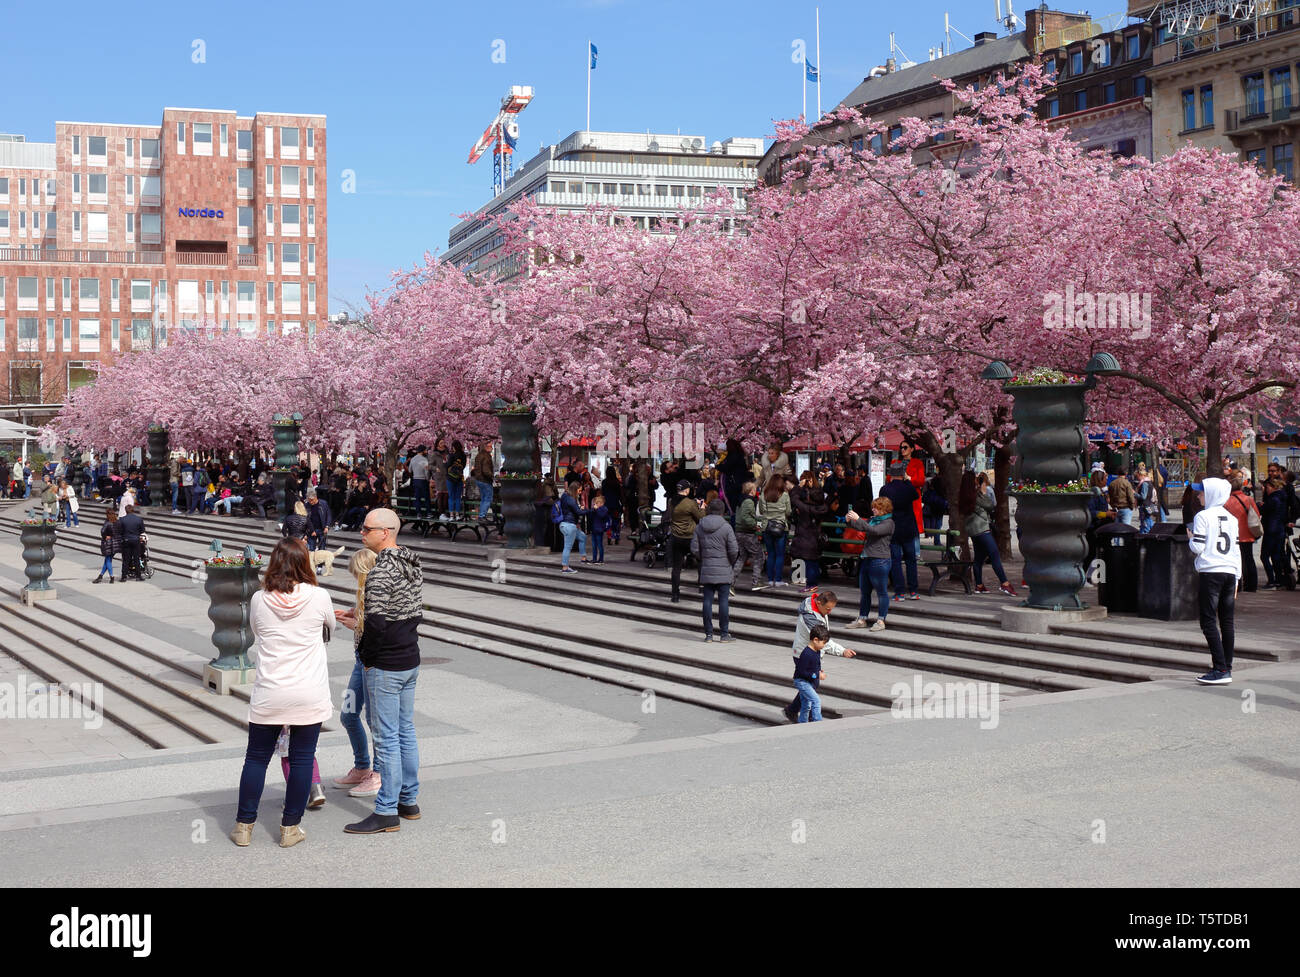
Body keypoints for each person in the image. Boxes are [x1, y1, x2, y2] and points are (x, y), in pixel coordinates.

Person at [228, 540, 334, 848]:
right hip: (308, 692)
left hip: (271, 692)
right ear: (306, 563)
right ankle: (290, 828)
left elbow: (256, 631)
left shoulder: (260, 599)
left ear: (274, 563)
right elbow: (330, 628)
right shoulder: (319, 596)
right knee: (302, 759)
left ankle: (244, 827)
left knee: (256, 759)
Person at [336, 508, 423, 834]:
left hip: (385, 663)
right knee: (405, 731)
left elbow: (375, 624)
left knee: (386, 737)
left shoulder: (380, 573)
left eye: (367, 529)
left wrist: (368, 659)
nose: (361, 533)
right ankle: (408, 799)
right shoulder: (412, 564)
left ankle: (386, 810)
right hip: (409, 659)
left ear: (385, 532)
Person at [333, 549, 381, 798]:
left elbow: (378, 631)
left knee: (376, 721)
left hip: (372, 662)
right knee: (349, 715)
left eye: (356, 574)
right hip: (359, 660)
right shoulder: (363, 592)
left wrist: (356, 625)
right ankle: (362, 767)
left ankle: (379, 773)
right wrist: (352, 614)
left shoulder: (377, 590)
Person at [1188, 478, 1242, 685]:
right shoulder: (1232, 518)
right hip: (1230, 571)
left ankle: (1220, 668)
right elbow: (1236, 549)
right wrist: (1237, 576)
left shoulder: (1202, 516)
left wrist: (1190, 537)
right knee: (1227, 621)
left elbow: (1198, 548)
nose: (1198, 495)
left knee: (1208, 620)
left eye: (1201, 492)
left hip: (1211, 571)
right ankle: (1226, 666)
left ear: (1211, 494)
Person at [783, 590, 856, 722]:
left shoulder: (817, 608)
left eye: (831, 609)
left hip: (813, 652)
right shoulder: (810, 617)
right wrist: (842, 651)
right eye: (828, 609)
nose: (829, 612)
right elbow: (824, 640)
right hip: (803, 654)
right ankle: (811, 717)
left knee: (809, 687)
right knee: (811, 687)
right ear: (818, 603)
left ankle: (794, 711)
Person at [959, 471, 1016, 596]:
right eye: (975, 479)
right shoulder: (976, 496)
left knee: (979, 558)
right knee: (994, 554)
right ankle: (1005, 584)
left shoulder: (964, 495)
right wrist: (983, 492)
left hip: (973, 531)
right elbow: (990, 506)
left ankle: (979, 586)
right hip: (982, 530)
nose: (976, 480)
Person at [844, 497, 895, 630]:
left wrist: (858, 518)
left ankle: (881, 620)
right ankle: (862, 619)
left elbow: (874, 531)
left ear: (884, 509)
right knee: (864, 592)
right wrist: (850, 521)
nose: (873, 509)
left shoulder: (889, 523)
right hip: (867, 558)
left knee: (881, 592)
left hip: (880, 560)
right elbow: (862, 527)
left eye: (876, 507)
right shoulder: (873, 520)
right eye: (873, 506)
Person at [692, 498, 739, 642]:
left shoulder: (700, 526)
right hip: (724, 568)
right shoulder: (726, 527)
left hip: (707, 567)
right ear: (722, 511)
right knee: (724, 601)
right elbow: (734, 550)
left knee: (707, 601)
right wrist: (729, 562)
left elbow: (694, 548)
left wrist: (704, 558)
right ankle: (724, 634)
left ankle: (709, 635)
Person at [880, 462, 921, 600]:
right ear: (903, 474)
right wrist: (908, 481)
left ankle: (900, 592)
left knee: (895, 560)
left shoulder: (885, 489)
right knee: (911, 560)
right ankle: (914, 591)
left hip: (892, 528)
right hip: (908, 528)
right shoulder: (908, 488)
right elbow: (916, 496)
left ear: (891, 474)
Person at [790, 473, 828, 593]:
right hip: (814, 537)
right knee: (813, 561)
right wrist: (813, 488)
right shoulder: (821, 506)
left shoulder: (805, 508)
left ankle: (811, 584)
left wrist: (799, 487)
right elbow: (818, 496)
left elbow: (794, 499)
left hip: (806, 536)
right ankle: (812, 583)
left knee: (809, 562)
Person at [1224, 472, 1261, 593]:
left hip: (1233, 535)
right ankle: (1252, 585)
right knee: (1249, 559)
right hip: (1248, 534)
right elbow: (1257, 515)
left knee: (1236, 561)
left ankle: (1237, 585)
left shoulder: (1226, 502)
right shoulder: (1249, 499)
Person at [756, 476, 792, 589]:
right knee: (780, 554)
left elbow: (761, 511)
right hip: (781, 527)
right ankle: (778, 579)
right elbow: (788, 511)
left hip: (766, 526)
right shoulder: (785, 495)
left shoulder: (763, 495)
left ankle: (770, 579)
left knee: (770, 554)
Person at [792, 624, 834, 723]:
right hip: (802, 681)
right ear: (815, 640)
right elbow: (801, 671)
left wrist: (819, 671)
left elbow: (816, 665)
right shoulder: (806, 653)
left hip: (808, 681)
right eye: (823, 643)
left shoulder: (817, 651)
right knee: (816, 701)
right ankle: (817, 722)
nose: (824, 646)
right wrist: (816, 675)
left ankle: (802, 723)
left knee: (806, 704)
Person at [668, 481, 702, 601]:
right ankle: (701, 586)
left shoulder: (672, 501)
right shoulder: (689, 503)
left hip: (676, 537)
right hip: (689, 537)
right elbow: (700, 518)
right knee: (700, 560)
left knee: (676, 568)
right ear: (687, 490)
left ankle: (675, 594)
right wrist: (701, 507)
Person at [732, 480, 765, 592]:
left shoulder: (740, 500)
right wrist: (755, 525)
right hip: (747, 533)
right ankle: (756, 581)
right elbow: (746, 518)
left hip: (739, 533)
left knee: (742, 557)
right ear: (752, 491)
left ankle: (730, 582)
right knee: (759, 556)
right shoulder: (749, 502)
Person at [557, 477, 591, 573]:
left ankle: (583, 558)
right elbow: (578, 512)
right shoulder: (571, 499)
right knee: (567, 547)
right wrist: (590, 510)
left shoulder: (565, 496)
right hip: (569, 526)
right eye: (579, 490)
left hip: (566, 524)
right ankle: (565, 567)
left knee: (582, 537)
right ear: (575, 489)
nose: (580, 492)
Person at [1260, 478, 1288, 589]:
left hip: (1271, 530)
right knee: (1276, 555)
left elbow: (1264, 510)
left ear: (1272, 487)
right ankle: (1278, 580)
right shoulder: (1282, 498)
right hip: (1280, 529)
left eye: (1266, 487)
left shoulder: (1273, 499)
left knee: (1264, 556)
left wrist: (1261, 506)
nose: (1265, 490)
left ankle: (1271, 580)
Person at [94, 508, 122, 584]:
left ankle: (111, 577)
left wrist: (105, 536)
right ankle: (100, 576)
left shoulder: (107, 522)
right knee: (107, 560)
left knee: (108, 560)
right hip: (117, 543)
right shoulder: (118, 522)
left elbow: (102, 531)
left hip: (109, 543)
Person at [471, 441, 495, 521]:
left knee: (484, 498)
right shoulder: (486, 456)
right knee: (488, 498)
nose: (492, 448)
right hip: (485, 480)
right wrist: (492, 476)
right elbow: (486, 470)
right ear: (486, 447)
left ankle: (481, 515)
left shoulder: (479, 455)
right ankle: (482, 515)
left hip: (479, 479)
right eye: (490, 446)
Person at [304, 488, 332, 552]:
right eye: (309, 500)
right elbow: (306, 519)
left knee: (322, 549)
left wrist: (327, 526)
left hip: (322, 529)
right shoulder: (306, 505)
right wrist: (309, 530)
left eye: (312, 500)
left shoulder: (323, 504)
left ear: (316, 497)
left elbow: (329, 515)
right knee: (311, 549)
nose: (310, 502)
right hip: (311, 530)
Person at [408, 445, 430, 519]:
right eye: (425, 450)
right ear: (423, 451)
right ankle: (428, 513)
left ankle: (418, 514)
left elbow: (410, 470)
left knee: (417, 497)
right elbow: (426, 472)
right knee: (426, 497)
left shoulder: (413, 459)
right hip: (423, 480)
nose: (426, 452)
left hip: (415, 480)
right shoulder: (424, 460)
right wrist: (428, 479)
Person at [445, 440, 467, 517]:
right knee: (458, 497)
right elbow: (463, 467)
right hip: (459, 478)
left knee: (451, 497)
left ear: (453, 447)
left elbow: (447, 465)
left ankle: (451, 515)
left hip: (450, 478)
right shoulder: (464, 456)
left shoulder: (451, 455)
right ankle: (457, 515)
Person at [589, 492, 610, 564]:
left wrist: (597, 510)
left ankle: (601, 559)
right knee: (594, 545)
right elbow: (591, 517)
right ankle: (594, 558)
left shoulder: (604, 509)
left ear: (601, 503)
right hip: (594, 529)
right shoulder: (595, 509)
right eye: (595, 503)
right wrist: (592, 511)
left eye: (597, 503)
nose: (595, 504)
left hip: (600, 529)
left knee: (599, 544)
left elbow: (602, 515)